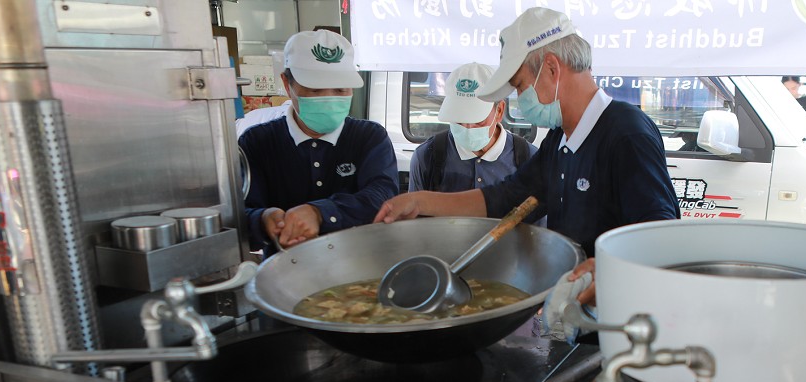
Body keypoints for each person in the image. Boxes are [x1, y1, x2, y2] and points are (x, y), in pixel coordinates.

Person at [374, 7, 679, 308]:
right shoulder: (559, 139)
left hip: (620, 314)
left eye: (520, 85)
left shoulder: (626, 133)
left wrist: (609, 270)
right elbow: (505, 198)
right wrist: (420, 202)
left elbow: (661, 234)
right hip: (574, 306)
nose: (520, 99)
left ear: (551, 68)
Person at [238, 30, 398, 254]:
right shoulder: (257, 142)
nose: (329, 98)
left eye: (340, 89)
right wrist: (263, 219)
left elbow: (382, 197)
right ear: (287, 84)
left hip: (359, 266)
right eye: (315, 90)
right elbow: (239, 215)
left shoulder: (370, 137)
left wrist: (320, 213)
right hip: (285, 268)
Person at [409, 62, 536, 194]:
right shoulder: (426, 157)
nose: (468, 127)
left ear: (499, 111)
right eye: (459, 119)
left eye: (478, 120)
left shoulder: (529, 159)